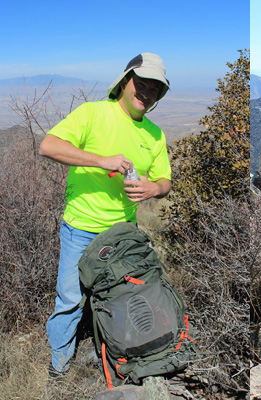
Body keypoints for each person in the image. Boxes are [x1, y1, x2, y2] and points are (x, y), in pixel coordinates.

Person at [40, 52, 172, 377]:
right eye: (140, 84)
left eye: (154, 88)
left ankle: (121, 359)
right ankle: (58, 368)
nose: (146, 93)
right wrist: (102, 160)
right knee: (71, 299)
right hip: (81, 227)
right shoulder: (93, 114)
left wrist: (153, 190)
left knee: (124, 298)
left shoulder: (154, 135)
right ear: (124, 83)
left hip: (122, 234)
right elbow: (48, 146)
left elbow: (164, 180)